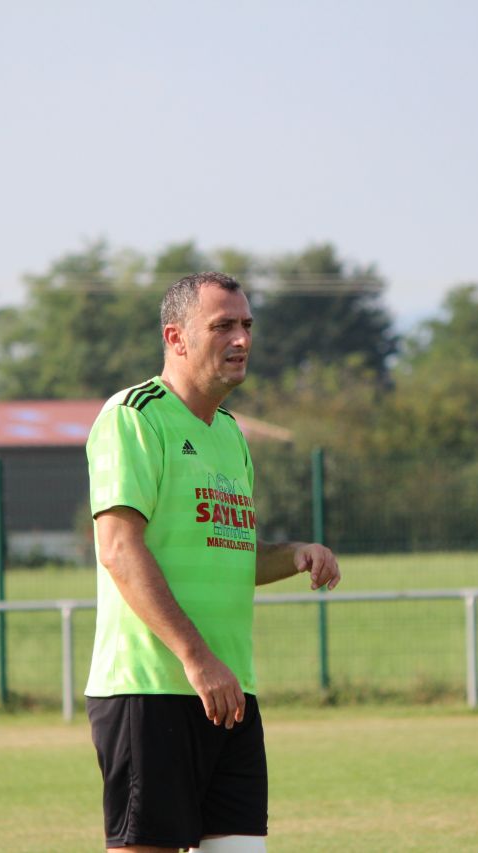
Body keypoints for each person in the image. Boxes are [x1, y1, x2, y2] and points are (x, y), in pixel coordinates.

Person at [84, 272, 341, 853]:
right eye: (222, 325)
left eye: (246, 325)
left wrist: (294, 555)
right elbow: (119, 549)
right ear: (175, 337)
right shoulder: (134, 416)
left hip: (230, 691)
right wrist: (197, 659)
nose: (241, 339)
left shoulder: (229, 434)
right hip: (153, 688)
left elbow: (229, 552)